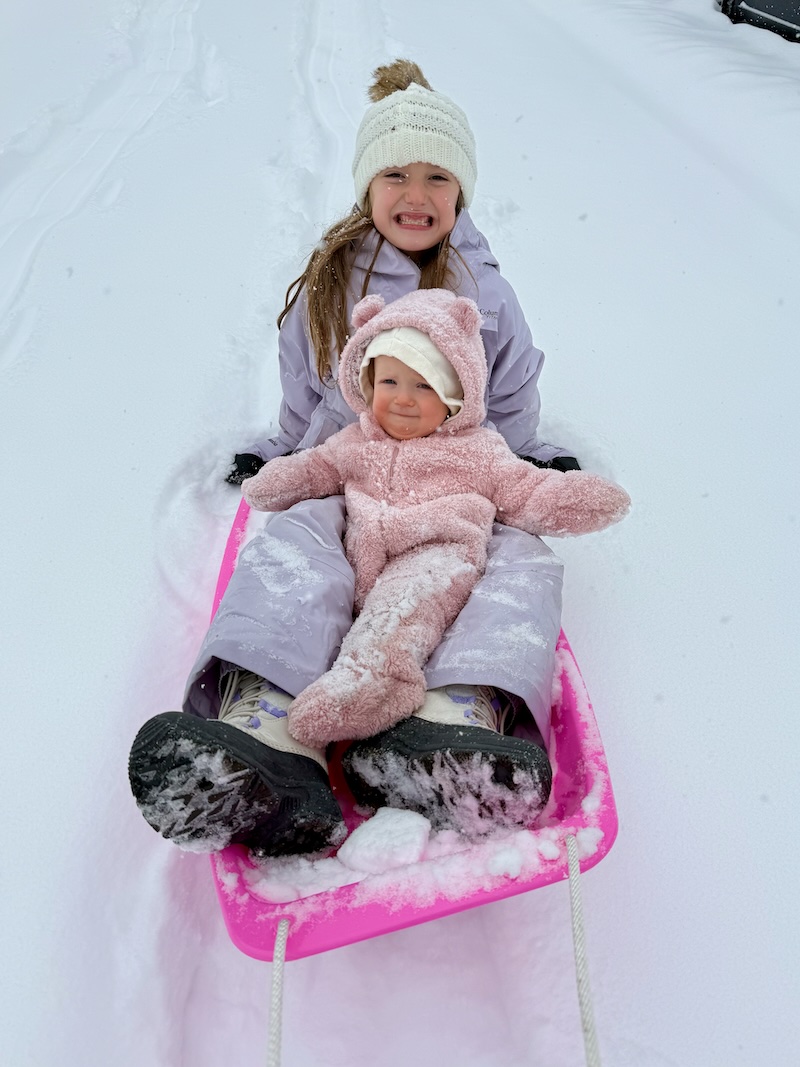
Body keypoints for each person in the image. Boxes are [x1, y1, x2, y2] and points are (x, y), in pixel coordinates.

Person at [128, 58, 599, 857]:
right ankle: (266, 725)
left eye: (437, 178)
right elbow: (306, 379)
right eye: (395, 175)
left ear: (462, 193)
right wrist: (287, 451)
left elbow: (512, 383)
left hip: (458, 477)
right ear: (365, 186)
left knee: (520, 562)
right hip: (354, 471)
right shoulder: (333, 283)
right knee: (293, 546)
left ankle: (455, 721)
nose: (415, 196)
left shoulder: (487, 292)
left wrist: (521, 462)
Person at [240, 288, 629, 831]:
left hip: (435, 554)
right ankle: (262, 716)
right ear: (366, 382)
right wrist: (275, 480)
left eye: (423, 385)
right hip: (359, 557)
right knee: (311, 575)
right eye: (389, 380)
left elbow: (525, 489)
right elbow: (315, 468)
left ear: (454, 395)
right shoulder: (354, 440)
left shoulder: (477, 450)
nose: (401, 398)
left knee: (407, 602)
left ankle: (382, 686)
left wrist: (569, 498)